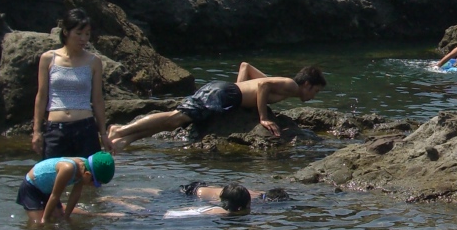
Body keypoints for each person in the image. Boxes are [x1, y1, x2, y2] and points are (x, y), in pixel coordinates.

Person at [109, 63, 327, 148]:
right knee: (175, 119)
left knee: (172, 123)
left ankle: (126, 139)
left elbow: (247, 67)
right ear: (306, 84)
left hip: (227, 93)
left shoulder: (285, 86)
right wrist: (263, 117)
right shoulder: (290, 85)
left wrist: (241, 94)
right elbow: (263, 86)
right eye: (315, 91)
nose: (313, 97)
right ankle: (121, 129)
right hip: (223, 94)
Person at [31, 9, 108, 159]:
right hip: (55, 129)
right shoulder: (48, 58)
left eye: (87, 34)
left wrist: (103, 133)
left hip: (85, 128)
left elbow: (98, 100)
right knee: (53, 177)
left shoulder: (94, 61)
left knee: (87, 178)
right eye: (79, 33)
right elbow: (41, 96)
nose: (83, 39)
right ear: (66, 32)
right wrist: (37, 131)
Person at [17, 151, 115, 224]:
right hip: (32, 188)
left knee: (59, 217)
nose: (96, 187)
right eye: (97, 184)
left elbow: (75, 195)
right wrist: (45, 220)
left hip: (47, 189)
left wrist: (66, 217)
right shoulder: (68, 169)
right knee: (38, 224)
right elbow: (55, 196)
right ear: (88, 174)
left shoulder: (84, 167)